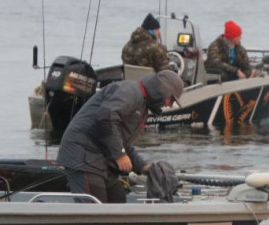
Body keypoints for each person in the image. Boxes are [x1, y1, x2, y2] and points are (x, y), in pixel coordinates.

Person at [55, 69, 185, 203]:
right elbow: (106, 117)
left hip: (102, 160)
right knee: (95, 209)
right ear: (163, 91)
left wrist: (143, 167)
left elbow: (123, 143)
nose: (169, 104)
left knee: (118, 201)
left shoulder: (142, 105)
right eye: (171, 99)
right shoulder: (130, 91)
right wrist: (119, 155)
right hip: (83, 156)